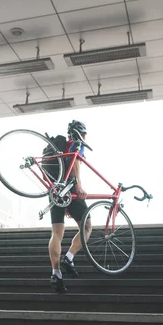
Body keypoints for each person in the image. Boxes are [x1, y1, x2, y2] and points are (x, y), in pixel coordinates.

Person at [49, 120, 92, 293]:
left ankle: (56, 273)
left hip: (55, 190)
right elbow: (75, 162)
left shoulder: (58, 148)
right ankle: (69, 257)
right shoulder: (76, 143)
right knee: (87, 227)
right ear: (82, 133)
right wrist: (79, 187)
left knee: (56, 234)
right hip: (70, 188)